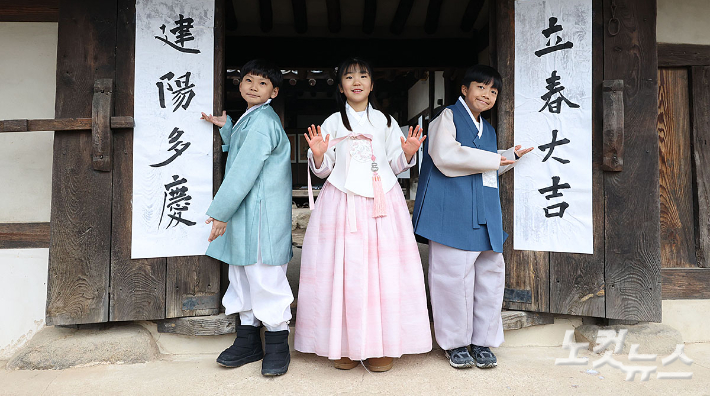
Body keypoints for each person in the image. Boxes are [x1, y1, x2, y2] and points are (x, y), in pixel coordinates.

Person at [294, 57, 432, 372]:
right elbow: (323, 170)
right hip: (341, 203)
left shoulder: (386, 122)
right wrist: (318, 155)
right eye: (349, 77)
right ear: (341, 86)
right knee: (340, 271)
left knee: (384, 272)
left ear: (371, 84)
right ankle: (342, 345)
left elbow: (396, 165)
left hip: (381, 204)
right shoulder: (332, 122)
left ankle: (381, 346)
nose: (356, 81)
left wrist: (408, 152)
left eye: (363, 76)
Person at [412, 65, 532, 370]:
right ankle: (455, 343)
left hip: (484, 211)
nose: (487, 95)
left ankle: (482, 341)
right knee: (451, 279)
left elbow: (486, 169)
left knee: (490, 278)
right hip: (451, 211)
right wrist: (494, 158)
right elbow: (445, 155)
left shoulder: (487, 130)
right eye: (481, 87)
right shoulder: (447, 117)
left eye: (493, 91)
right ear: (465, 89)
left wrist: (510, 157)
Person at [200, 59, 293, 377]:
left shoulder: (263, 121)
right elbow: (243, 152)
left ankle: (278, 344)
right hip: (248, 210)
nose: (254, 86)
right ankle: (248, 340)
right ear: (239, 85)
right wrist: (227, 126)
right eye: (249, 80)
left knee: (264, 277)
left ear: (274, 92)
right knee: (242, 274)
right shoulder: (251, 118)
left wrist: (220, 212)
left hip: (261, 212)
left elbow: (243, 170)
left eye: (263, 83)